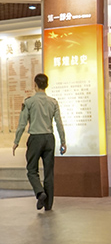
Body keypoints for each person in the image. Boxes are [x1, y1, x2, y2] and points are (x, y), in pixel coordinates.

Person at [12, 73, 66, 211]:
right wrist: (63, 141)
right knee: (49, 172)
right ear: (46, 85)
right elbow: (59, 123)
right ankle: (48, 205)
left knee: (31, 170)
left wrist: (16, 141)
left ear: (35, 85)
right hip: (49, 138)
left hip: (35, 138)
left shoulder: (29, 102)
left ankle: (40, 192)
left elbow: (22, 123)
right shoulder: (53, 102)